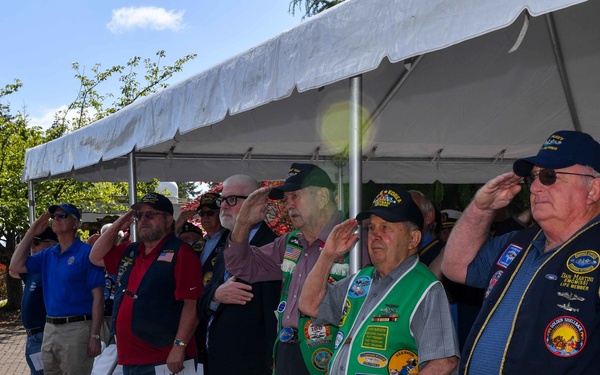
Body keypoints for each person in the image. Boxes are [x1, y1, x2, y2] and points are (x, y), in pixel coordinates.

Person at [442, 130, 600, 374]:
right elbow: (454, 267)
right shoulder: (519, 243)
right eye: (533, 177)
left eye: (549, 176)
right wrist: (482, 208)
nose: (535, 187)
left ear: (593, 190)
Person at [225, 163, 369, 375]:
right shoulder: (290, 242)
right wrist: (243, 224)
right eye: (286, 199)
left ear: (322, 198)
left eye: (295, 196)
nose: (288, 205)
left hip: (332, 353)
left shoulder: (355, 243)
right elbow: (241, 265)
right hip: (286, 350)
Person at [299, 186, 459, 375]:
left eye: (386, 227)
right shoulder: (361, 280)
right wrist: (328, 255)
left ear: (413, 239)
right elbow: (309, 305)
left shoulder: (426, 289)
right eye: (371, 227)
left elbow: (443, 362)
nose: (375, 235)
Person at [89, 193, 203, 375]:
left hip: (164, 358)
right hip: (130, 358)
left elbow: (192, 305)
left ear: (168, 220)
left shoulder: (181, 253)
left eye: (150, 214)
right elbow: (95, 257)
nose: (143, 220)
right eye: (139, 215)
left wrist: (179, 346)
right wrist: (119, 223)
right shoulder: (132, 250)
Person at [197, 174, 279, 375]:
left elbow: (273, 316)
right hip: (217, 361)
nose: (223, 207)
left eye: (232, 200)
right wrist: (217, 294)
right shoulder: (227, 243)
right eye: (222, 200)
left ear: (255, 202)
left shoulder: (273, 246)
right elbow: (201, 300)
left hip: (252, 365)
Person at [9, 203, 105, 375]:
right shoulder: (48, 254)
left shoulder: (87, 253)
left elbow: (98, 298)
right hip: (50, 328)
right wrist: (31, 232)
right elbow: (15, 266)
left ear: (75, 224)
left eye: (63, 216)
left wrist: (94, 336)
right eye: (55, 216)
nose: (56, 219)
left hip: (77, 328)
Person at [9, 227, 58, 375]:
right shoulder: (33, 267)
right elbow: (13, 269)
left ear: (53, 243)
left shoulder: (51, 266)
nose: (32, 247)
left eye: (37, 242)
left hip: (45, 333)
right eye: (31, 243)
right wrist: (27, 240)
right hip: (32, 336)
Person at [196, 192, 228, 286]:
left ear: (221, 214)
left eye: (210, 213)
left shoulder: (232, 239)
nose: (205, 217)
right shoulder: (197, 244)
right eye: (202, 213)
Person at [409, 190, 445, 266]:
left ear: (429, 217)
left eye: (412, 210)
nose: (404, 216)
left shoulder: (442, 254)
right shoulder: (395, 251)